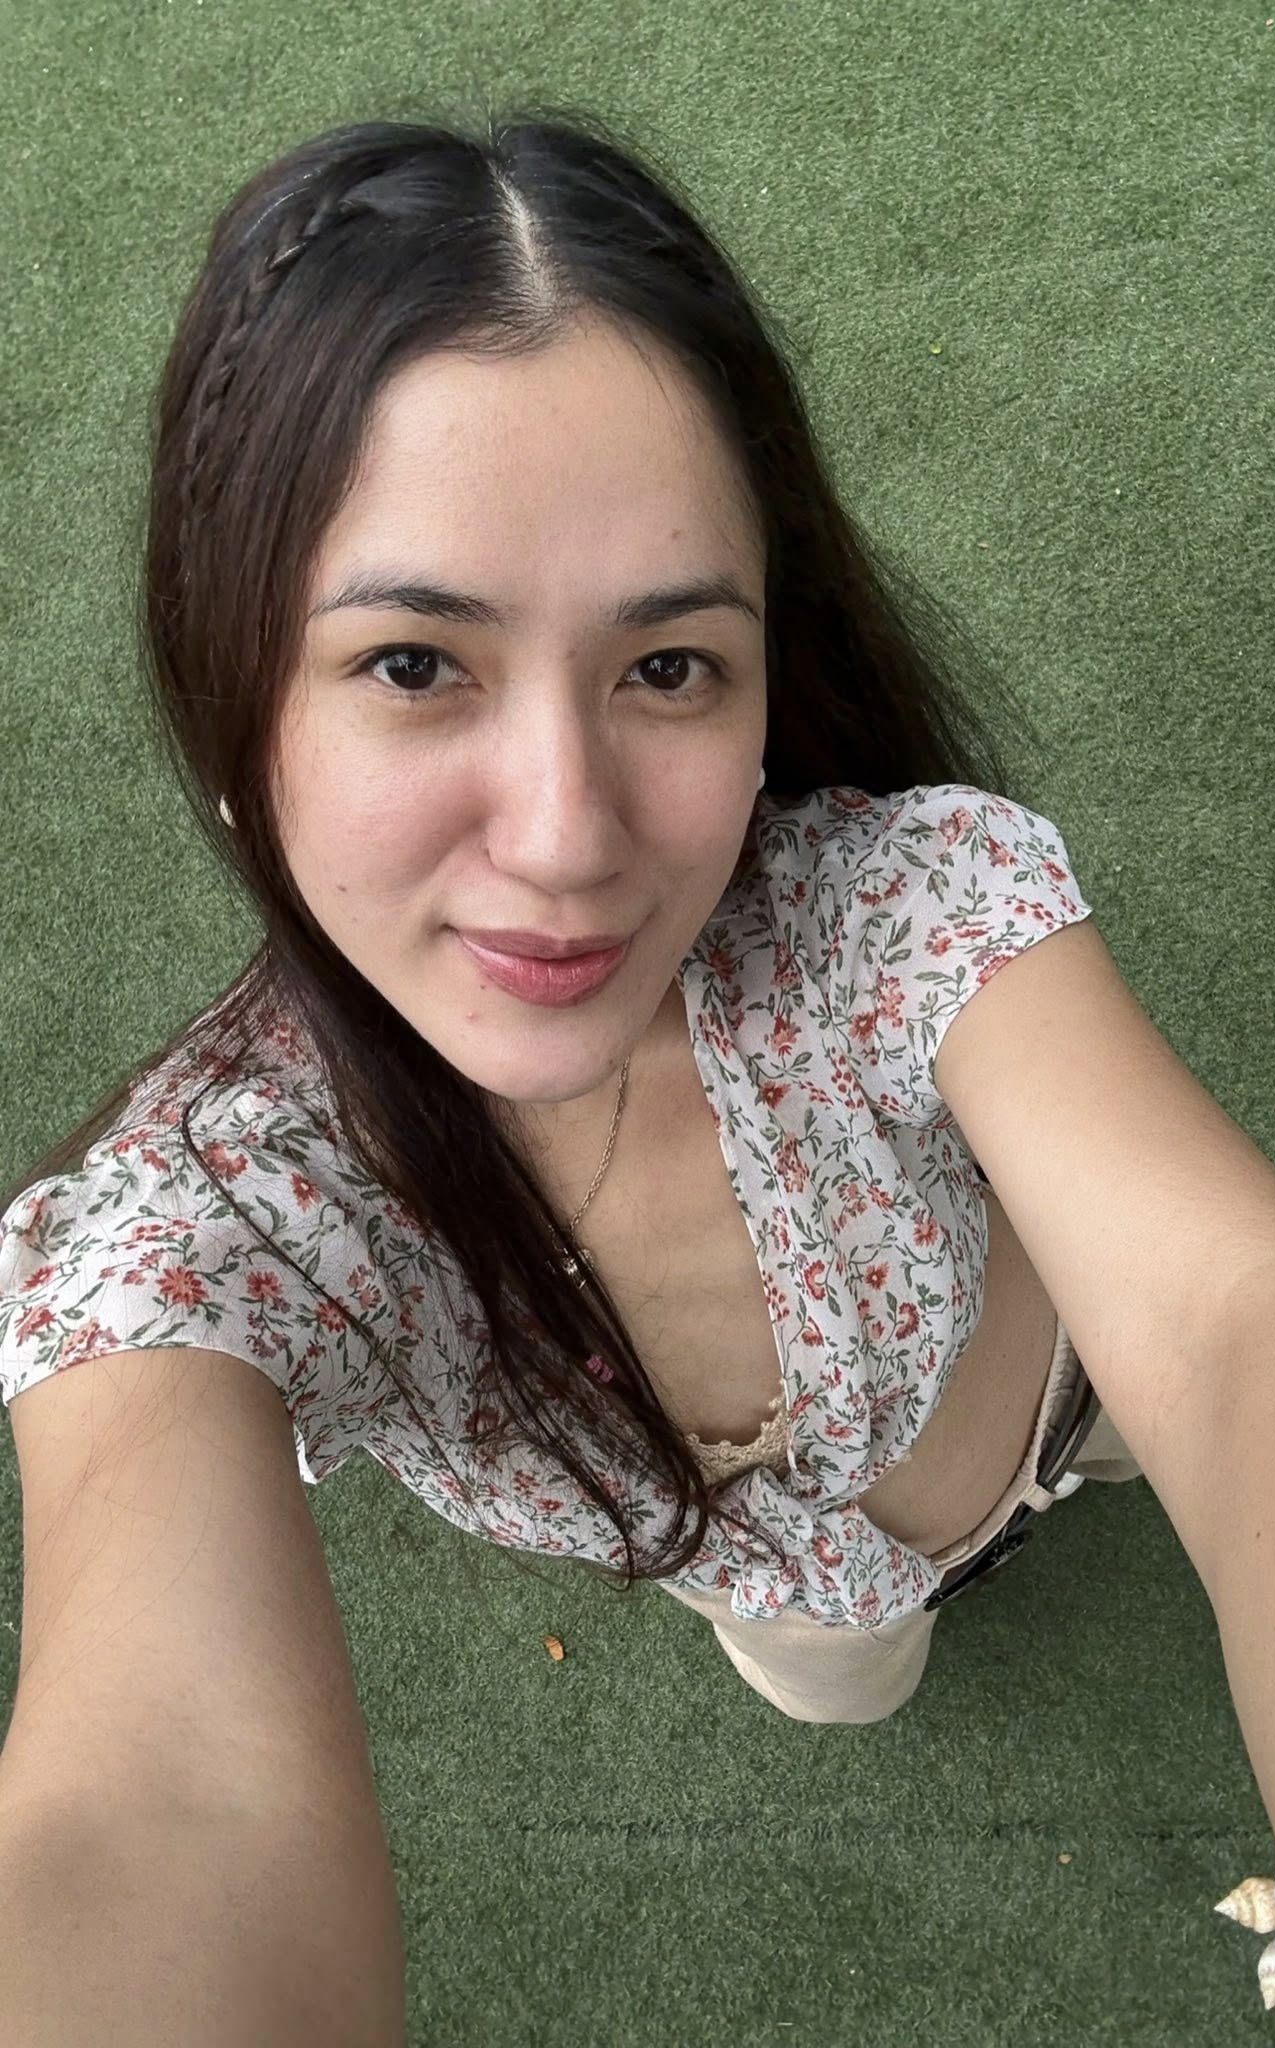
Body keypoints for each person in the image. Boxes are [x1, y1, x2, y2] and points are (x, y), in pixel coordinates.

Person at [0, 106, 1144, 1740]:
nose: (564, 839)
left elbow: (1248, 1335)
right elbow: (156, 1779)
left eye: (667, 666)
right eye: (413, 664)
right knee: (850, 1691)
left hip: (1076, 1382)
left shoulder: (892, 905)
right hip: (806, 1605)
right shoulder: (226, 1211)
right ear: (236, 699)